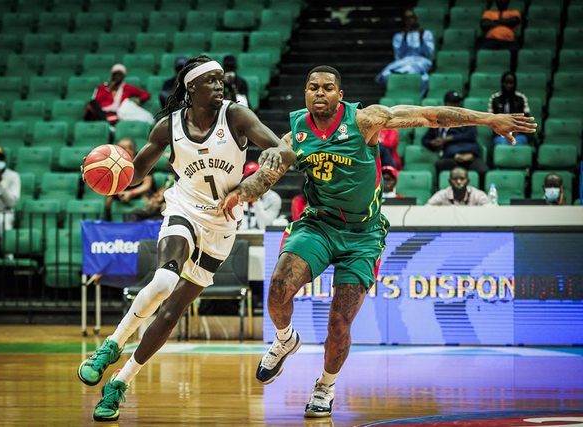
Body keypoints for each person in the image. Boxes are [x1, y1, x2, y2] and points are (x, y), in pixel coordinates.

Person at [220, 65, 535, 418]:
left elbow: (428, 115)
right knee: (278, 286)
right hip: (318, 225)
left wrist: (489, 119)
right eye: (313, 87)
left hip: (363, 234)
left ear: (340, 94)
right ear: (305, 93)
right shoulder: (295, 137)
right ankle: (284, 340)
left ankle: (325, 386)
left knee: (339, 323)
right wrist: (237, 194)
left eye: (327, 87)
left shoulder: (365, 121)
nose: (320, 92)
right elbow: (264, 179)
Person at [77, 55, 295, 422]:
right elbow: (136, 171)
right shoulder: (168, 127)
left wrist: (273, 153)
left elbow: (284, 150)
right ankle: (111, 345)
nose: (219, 84)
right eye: (211, 80)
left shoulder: (236, 116)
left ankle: (120, 382)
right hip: (184, 208)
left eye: (221, 79)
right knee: (164, 279)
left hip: (222, 224)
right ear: (191, 86)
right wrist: (108, 173)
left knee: (170, 312)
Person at [422, 91, 489, 178]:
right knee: (440, 165)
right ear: (446, 104)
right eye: (453, 103)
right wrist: (432, 143)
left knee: (483, 170)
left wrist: (449, 138)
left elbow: (471, 135)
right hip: (452, 157)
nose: (457, 106)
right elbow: (425, 140)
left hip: (470, 155)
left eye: (458, 103)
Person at [375, 9, 435, 96]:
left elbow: (428, 54)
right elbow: (399, 56)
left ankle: (403, 74)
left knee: (412, 69)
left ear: (416, 18)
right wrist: (404, 38)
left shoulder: (426, 34)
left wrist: (421, 38)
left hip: (421, 61)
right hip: (404, 61)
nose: (410, 20)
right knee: (385, 73)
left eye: (411, 17)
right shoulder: (398, 36)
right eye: (407, 18)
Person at [104, 137, 154, 220]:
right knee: (109, 199)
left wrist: (131, 193)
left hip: (139, 191)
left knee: (146, 198)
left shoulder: (143, 161)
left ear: (132, 150)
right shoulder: (114, 162)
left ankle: (143, 222)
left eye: (122, 148)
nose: (119, 151)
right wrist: (118, 192)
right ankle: (109, 222)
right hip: (121, 191)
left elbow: (147, 185)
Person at [488, 71, 531, 145]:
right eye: (506, 83)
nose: (508, 85)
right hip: (500, 134)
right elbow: (491, 120)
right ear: (502, 83)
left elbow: (526, 119)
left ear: (515, 84)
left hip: (518, 134)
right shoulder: (494, 98)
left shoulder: (521, 98)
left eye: (511, 83)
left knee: (518, 142)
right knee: (501, 143)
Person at [239, 162, 284, 230]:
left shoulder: (274, 198)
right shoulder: (237, 196)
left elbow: (264, 226)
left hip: (262, 235)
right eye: (250, 177)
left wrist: (256, 199)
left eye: (257, 177)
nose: (254, 181)